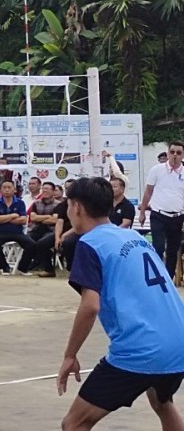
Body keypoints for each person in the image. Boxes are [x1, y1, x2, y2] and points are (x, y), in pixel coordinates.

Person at [57, 176, 184, 430]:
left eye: (68, 205)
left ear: (77, 207)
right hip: (178, 342)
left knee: (74, 423)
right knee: (162, 402)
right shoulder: (134, 237)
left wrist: (70, 355)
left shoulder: (90, 244)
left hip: (141, 349)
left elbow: (90, 306)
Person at [138, 141, 184, 276]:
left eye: (178, 153)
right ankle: (156, 276)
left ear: (183, 155)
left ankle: (168, 278)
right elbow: (148, 192)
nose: (175, 155)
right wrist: (142, 212)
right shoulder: (156, 170)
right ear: (168, 153)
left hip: (177, 216)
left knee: (172, 250)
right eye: (172, 152)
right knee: (158, 246)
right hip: (158, 214)